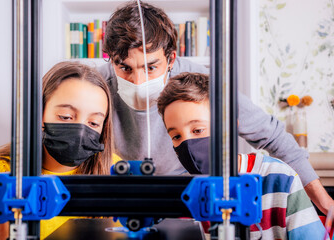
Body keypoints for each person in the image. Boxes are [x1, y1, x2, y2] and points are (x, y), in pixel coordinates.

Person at [98, 1, 334, 214]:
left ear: (171, 59)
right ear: (111, 60)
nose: (139, 81)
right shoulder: (97, 86)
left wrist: (324, 202)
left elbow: (273, 137)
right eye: (125, 68)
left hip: (191, 194)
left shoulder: (202, 85)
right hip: (127, 195)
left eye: (151, 67)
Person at [157, 72, 327, 239]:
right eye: (176, 136)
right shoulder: (188, 193)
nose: (187, 144)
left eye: (198, 130)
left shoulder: (280, 178)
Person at [0, 61, 117, 240]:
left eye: (93, 123)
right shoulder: (0, 172)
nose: (80, 132)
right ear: (38, 113)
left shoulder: (114, 169)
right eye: (66, 117)